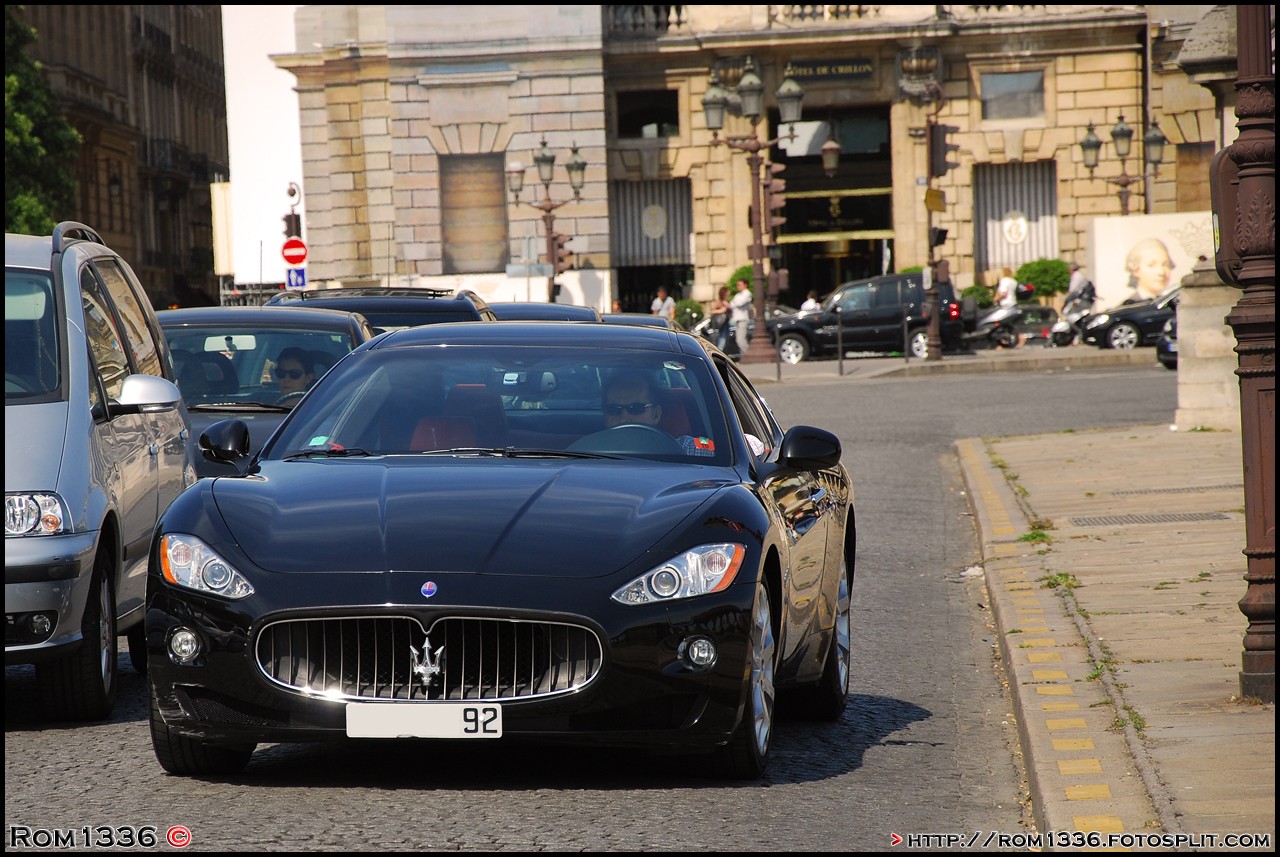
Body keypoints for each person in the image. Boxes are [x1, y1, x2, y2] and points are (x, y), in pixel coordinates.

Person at [601, 370, 713, 457]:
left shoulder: (686, 448)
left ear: (656, 414)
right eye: (613, 409)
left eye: (635, 408)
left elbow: (714, 448)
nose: (623, 418)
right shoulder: (590, 452)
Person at [1123, 237, 1174, 303]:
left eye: (1166, 265)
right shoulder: (1129, 305)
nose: (1161, 272)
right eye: (1151, 265)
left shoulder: (1177, 302)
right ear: (1136, 270)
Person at [729, 277, 754, 357]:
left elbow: (739, 303)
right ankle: (744, 357)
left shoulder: (747, 293)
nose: (738, 287)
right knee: (739, 340)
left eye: (739, 285)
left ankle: (749, 355)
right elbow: (731, 304)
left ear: (745, 285)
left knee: (740, 340)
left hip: (743, 319)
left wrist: (735, 302)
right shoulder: (737, 295)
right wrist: (734, 303)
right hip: (737, 319)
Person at [709, 285, 731, 350]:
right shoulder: (719, 301)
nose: (729, 292)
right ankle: (719, 352)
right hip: (721, 323)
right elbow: (712, 311)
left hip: (726, 322)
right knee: (722, 340)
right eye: (728, 291)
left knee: (726, 340)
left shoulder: (726, 301)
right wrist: (721, 310)